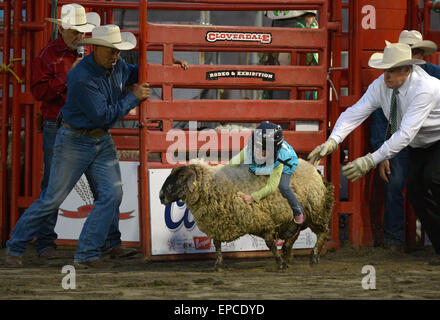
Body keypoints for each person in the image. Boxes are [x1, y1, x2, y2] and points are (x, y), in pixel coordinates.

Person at [6, 25, 150, 268]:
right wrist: (133, 98)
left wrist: (169, 65)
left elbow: (136, 72)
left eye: (117, 51)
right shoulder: (81, 76)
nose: (115, 56)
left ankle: (87, 253)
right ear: (96, 49)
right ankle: (16, 246)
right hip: (77, 140)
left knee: (110, 195)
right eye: (110, 50)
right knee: (54, 198)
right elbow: (102, 116)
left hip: (95, 139)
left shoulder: (115, 67)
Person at [308, 41, 440, 266]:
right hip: (420, 143)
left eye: (390, 70)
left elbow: (405, 133)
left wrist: (371, 159)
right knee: (416, 191)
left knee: (433, 179)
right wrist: (333, 140)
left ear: (406, 70)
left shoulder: (425, 88)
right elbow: (355, 112)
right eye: (385, 69)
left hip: (434, 138)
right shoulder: (382, 85)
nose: (384, 75)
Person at [30, 3, 100, 259]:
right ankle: (45, 242)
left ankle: (109, 241)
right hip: (58, 126)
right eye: (75, 31)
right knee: (53, 186)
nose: (79, 36)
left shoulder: (90, 54)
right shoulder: (47, 55)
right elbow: (39, 92)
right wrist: (68, 77)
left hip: (88, 126)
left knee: (100, 186)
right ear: (63, 30)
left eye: (82, 31)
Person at [369, 30, 440, 251]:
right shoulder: (388, 80)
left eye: (416, 52)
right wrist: (382, 152)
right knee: (398, 182)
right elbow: (380, 116)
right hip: (404, 140)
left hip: (430, 139)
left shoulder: (434, 77)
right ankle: (395, 239)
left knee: (428, 181)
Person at [229, 121, 304, 238]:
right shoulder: (250, 150)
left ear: (273, 150)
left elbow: (271, 187)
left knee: (283, 187)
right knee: (250, 171)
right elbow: (232, 164)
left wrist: (253, 197)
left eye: (263, 149)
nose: (257, 151)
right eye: (256, 147)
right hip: (265, 164)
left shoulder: (280, 161)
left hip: (286, 165)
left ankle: (298, 212)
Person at [264, 10, 318, 100]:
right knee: (279, 70)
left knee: (291, 69)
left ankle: (290, 109)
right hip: (280, 17)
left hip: (300, 16)